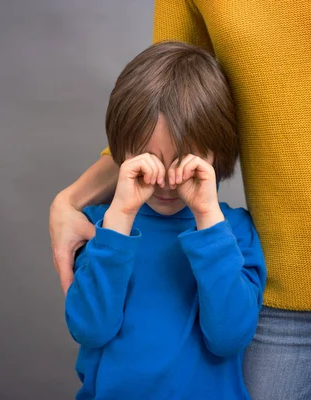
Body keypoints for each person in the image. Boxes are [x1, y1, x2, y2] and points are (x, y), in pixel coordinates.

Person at [51, 1, 311, 399]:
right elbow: (161, 101)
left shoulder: (232, 236)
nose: (165, 175)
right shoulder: (125, 223)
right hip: (289, 274)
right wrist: (69, 201)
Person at [64, 41, 266, 400]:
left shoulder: (232, 232)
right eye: (148, 160)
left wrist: (208, 218)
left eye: (184, 161)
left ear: (214, 153)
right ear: (120, 151)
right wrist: (121, 218)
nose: (167, 179)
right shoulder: (101, 228)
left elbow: (229, 337)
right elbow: (89, 329)